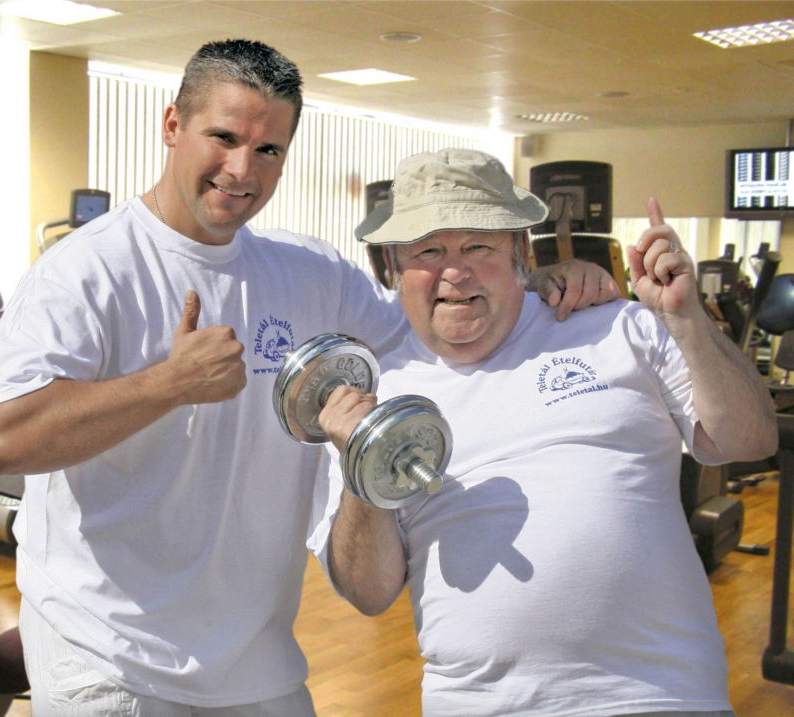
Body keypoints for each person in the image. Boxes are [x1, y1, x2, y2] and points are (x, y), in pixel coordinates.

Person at [0, 41, 619, 715]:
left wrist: (530, 286)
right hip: (110, 658)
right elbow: (1, 441)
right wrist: (168, 383)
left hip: (257, 663)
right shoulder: (87, 271)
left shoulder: (312, 274)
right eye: (222, 137)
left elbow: (437, 332)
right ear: (172, 126)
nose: (241, 168)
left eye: (268, 150)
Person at [308, 147, 778, 716]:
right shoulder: (373, 396)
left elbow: (751, 441)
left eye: (478, 245)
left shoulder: (616, 327)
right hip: (479, 703)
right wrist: (365, 462)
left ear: (520, 252)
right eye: (428, 250)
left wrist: (687, 319)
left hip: (659, 695)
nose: (454, 271)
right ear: (392, 267)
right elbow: (369, 592)